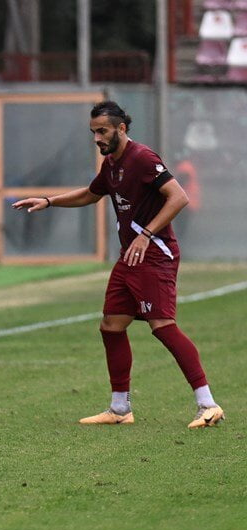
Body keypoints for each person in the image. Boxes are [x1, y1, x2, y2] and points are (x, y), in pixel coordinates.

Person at [13, 101, 224, 429]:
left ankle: (208, 404)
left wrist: (146, 235)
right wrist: (49, 201)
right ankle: (119, 407)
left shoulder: (142, 158)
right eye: (93, 132)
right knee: (111, 325)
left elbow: (178, 197)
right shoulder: (111, 164)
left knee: (163, 326)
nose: (97, 137)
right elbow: (91, 194)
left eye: (102, 131)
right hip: (130, 258)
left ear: (121, 129)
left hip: (154, 255)